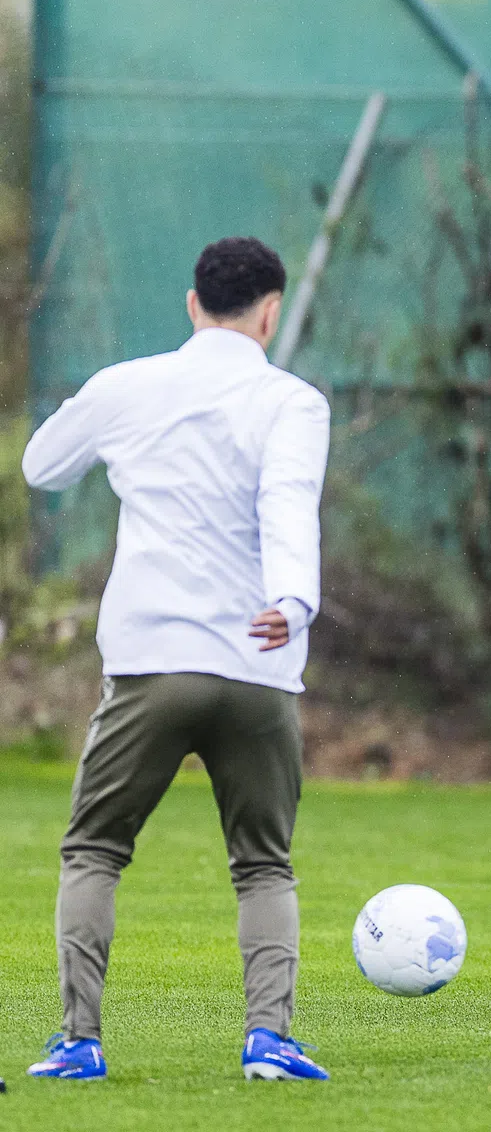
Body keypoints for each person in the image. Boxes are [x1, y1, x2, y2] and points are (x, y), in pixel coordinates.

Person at [21, 237, 332, 1082]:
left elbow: (41, 465)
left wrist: (102, 409)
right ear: (270, 311)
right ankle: (270, 1040)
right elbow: (288, 500)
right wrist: (293, 600)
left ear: (193, 305)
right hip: (259, 666)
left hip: (151, 663)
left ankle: (80, 1043)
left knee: (94, 852)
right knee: (264, 864)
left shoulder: (127, 386)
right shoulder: (293, 401)